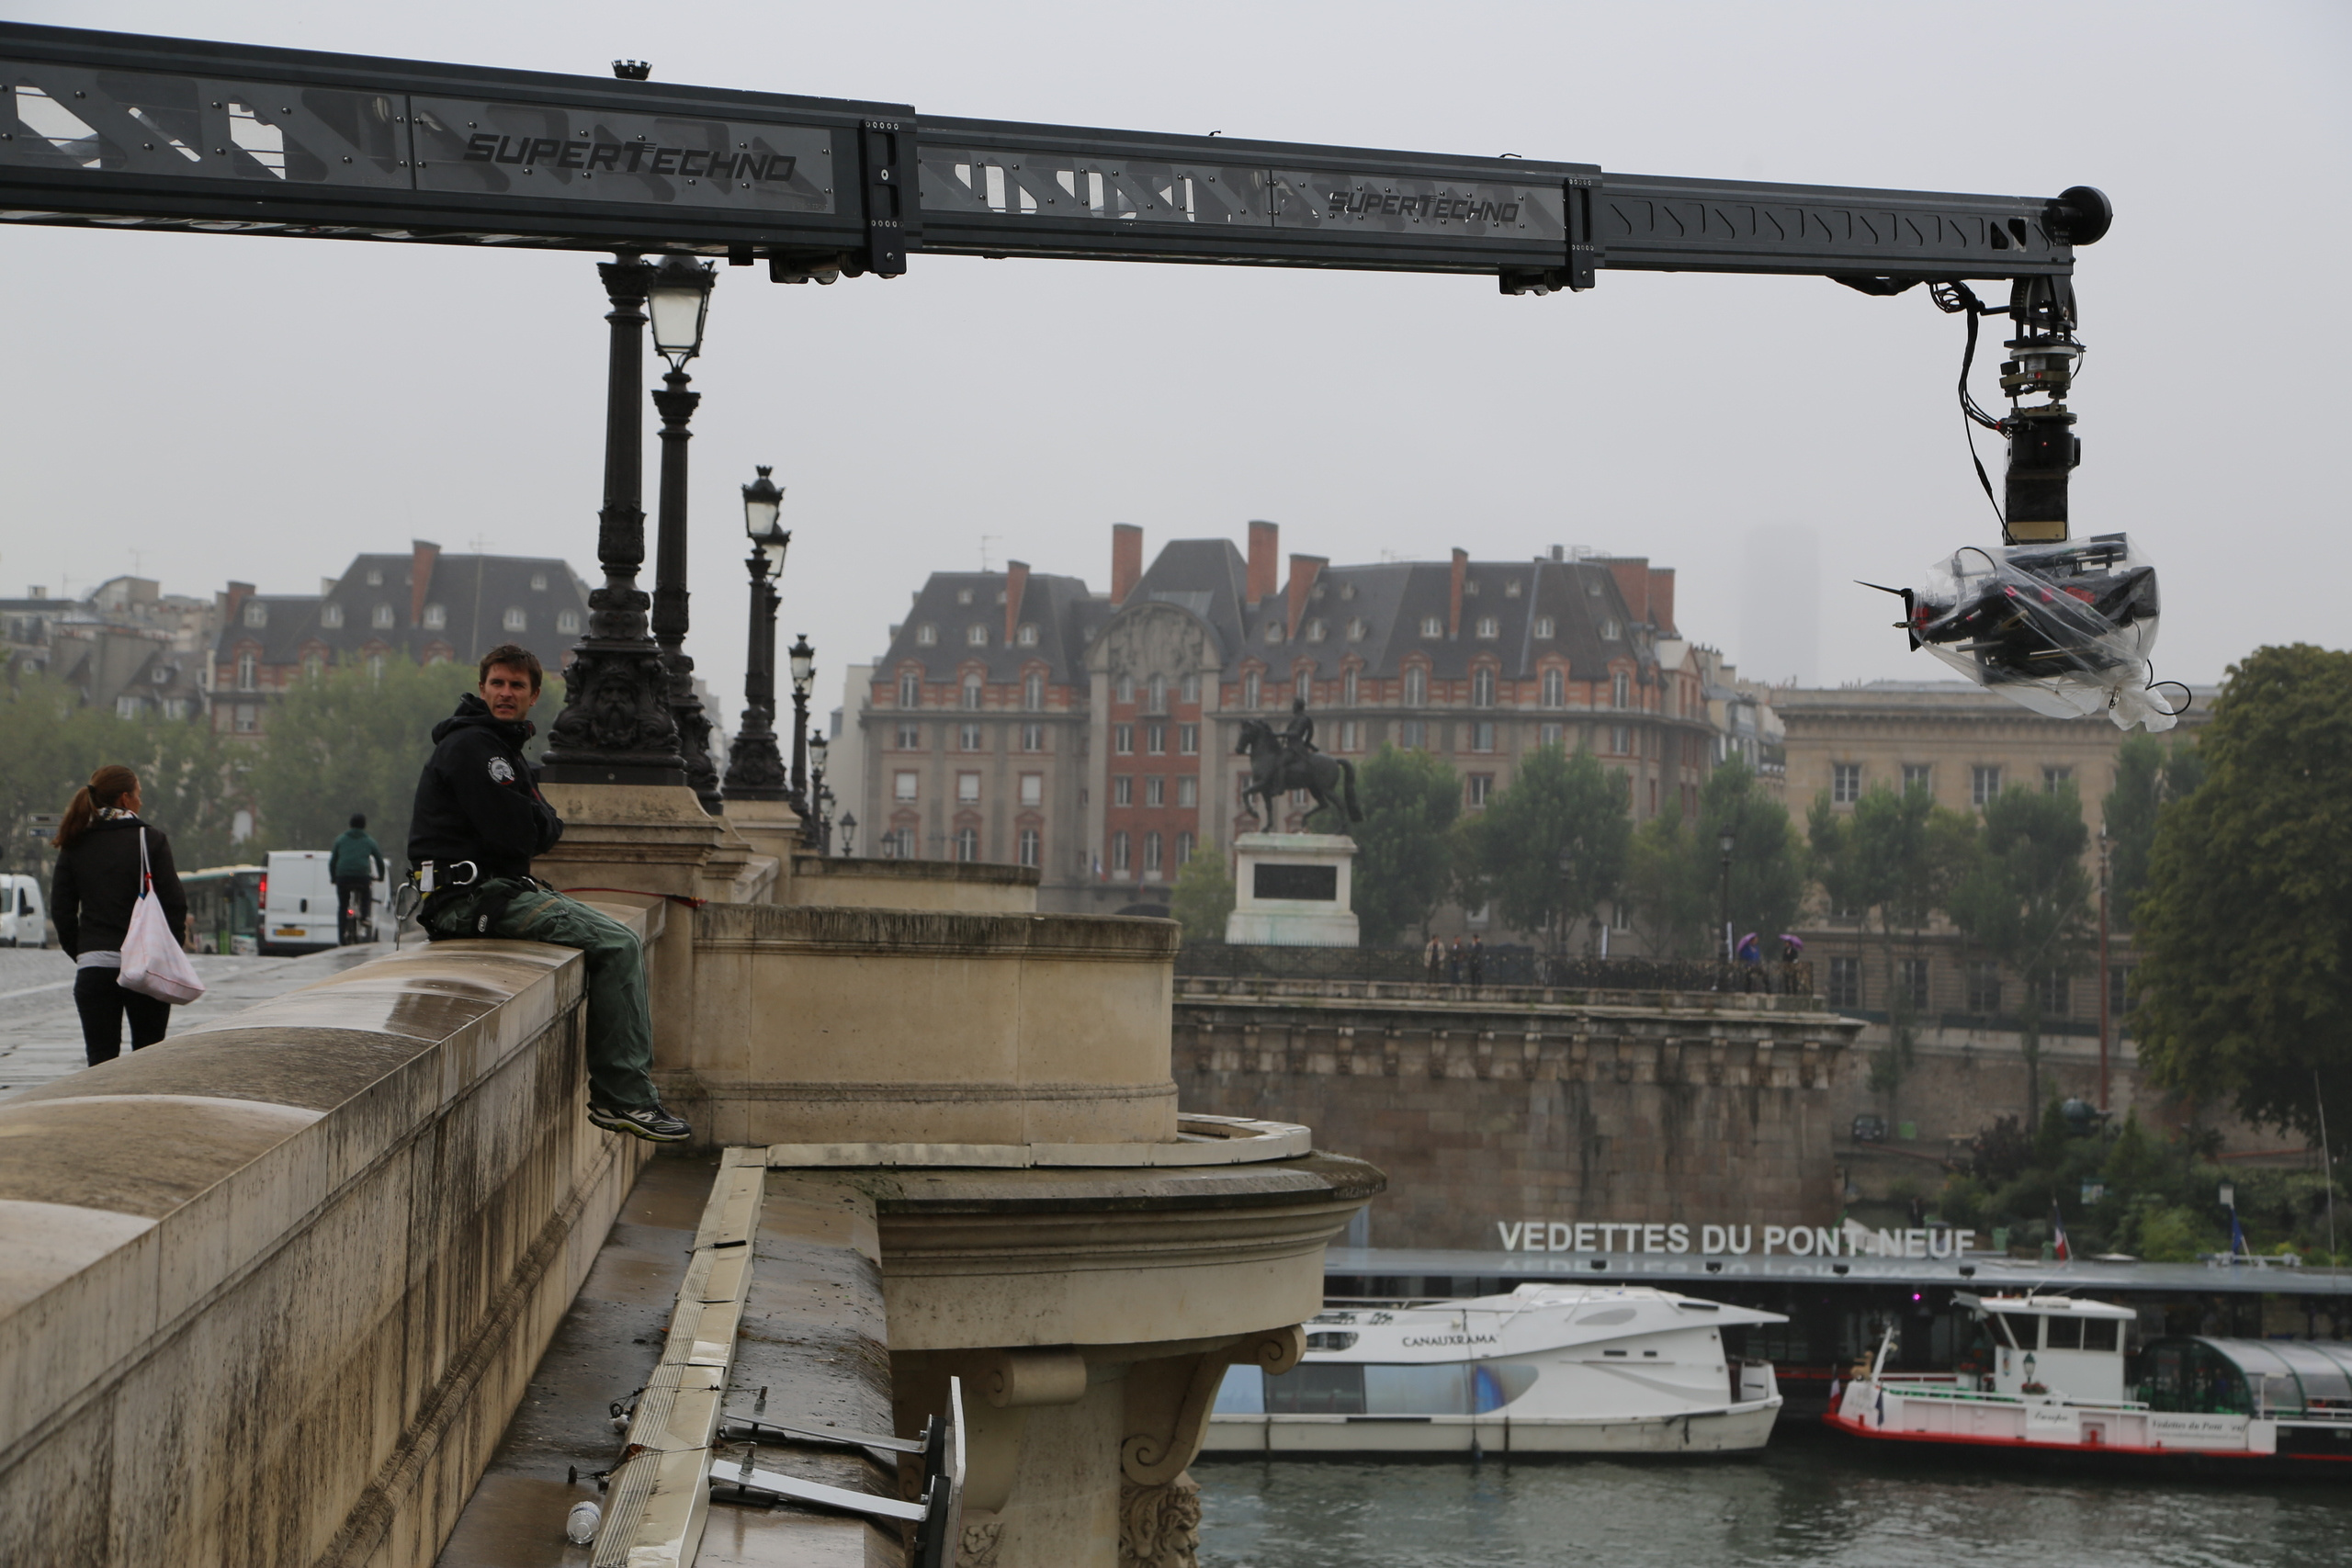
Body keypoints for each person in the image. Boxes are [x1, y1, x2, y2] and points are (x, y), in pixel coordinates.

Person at [407, 644, 690, 1144]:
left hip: (494, 892)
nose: (506, 693)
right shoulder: (475, 748)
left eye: (516, 685)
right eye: (497, 683)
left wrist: (533, 819)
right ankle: (622, 1098)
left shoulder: (502, 749)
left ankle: (625, 1094)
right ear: (481, 688)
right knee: (617, 945)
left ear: (534, 695)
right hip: (468, 903)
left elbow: (545, 828)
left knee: (618, 937)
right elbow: (519, 834)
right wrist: (533, 818)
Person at [50, 763, 188, 1065]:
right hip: (145, 968)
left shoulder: (75, 842)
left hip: (95, 968)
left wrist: (84, 952)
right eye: (138, 794)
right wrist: (167, 951)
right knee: (147, 1058)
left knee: (100, 1062)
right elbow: (175, 905)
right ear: (125, 798)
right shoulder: (150, 840)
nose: (141, 801)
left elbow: (61, 909)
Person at [331, 812, 386, 945]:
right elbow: (379, 860)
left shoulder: (340, 840)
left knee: (343, 905)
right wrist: (381, 877)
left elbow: (332, 862)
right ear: (364, 825)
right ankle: (364, 916)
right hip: (362, 877)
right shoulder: (369, 841)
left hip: (343, 877)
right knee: (366, 893)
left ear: (350, 824)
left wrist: (333, 877)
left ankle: (341, 936)